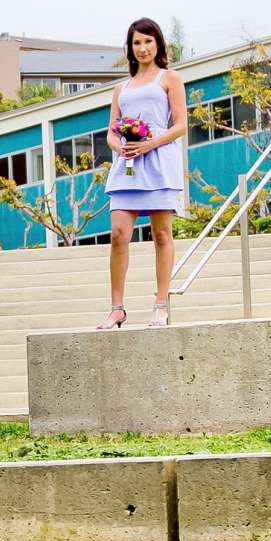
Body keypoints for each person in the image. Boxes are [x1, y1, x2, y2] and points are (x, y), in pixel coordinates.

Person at [99, 17, 187, 329]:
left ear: (158, 44)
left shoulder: (169, 78)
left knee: (162, 234)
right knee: (118, 234)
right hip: (128, 168)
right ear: (130, 48)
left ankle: (161, 304)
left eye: (148, 41)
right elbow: (111, 131)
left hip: (159, 163)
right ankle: (117, 308)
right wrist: (119, 147)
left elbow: (180, 125)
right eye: (137, 42)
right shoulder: (120, 88)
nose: (143, 48)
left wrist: (149, 144)